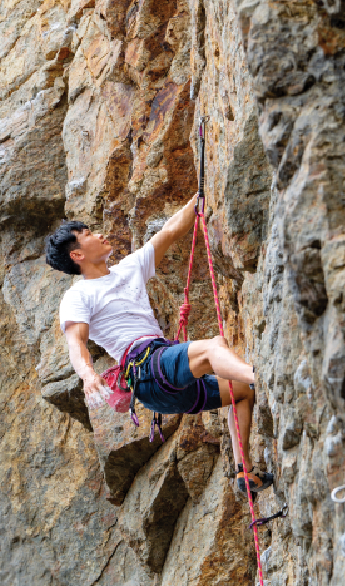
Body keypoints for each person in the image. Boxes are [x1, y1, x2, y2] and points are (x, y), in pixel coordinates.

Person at [45, 194, 273, 495]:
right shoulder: (79, 295)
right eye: (87, 235)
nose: (98, 234)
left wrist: (198, 197)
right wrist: (87, 374)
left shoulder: (129, 268)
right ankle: (267, 376)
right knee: (212, 348)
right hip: (146, 367)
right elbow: (77, 342)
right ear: (77, 255)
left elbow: (169, 231)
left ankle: (244, 472)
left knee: (242, 393)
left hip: (163, 387)